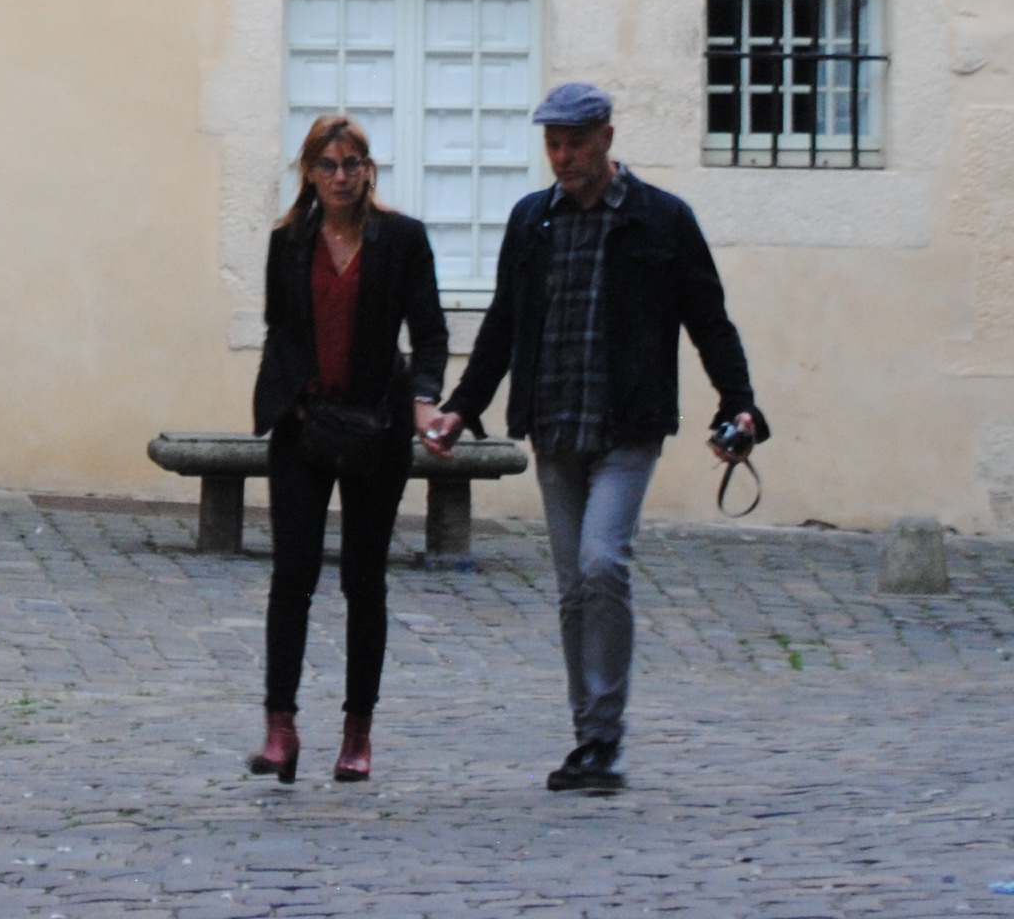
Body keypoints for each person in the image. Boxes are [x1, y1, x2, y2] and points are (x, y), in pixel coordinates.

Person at [423, 82, 763, 795]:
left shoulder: (661, 220)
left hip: (627, 426)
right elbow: (503, 327)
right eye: (553, 142)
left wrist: (740, 404)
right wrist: (461, 406)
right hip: (554, 425)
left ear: (607, 137)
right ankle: (589, 740)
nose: (563, 156)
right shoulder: (531, 222)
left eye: (576, 141)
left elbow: (709, 319)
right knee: (574, 585)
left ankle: (604, 730)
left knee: (603, 562)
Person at [244, 111, 448, 785]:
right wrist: (289, 395)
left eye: (351, 165)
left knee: (364, 580)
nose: (339, 177)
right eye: (327, 165)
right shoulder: (289, 242)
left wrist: (423, 399)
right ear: (308, 171)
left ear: (368, 171)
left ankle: (357, 731)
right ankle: (280, 726)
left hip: (376, 429)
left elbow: (430, 330)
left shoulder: (402, 241)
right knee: (291, 577)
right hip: (305, 426)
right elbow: (281, 327)